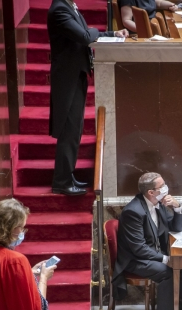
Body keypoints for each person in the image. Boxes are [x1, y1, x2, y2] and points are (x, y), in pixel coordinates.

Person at [48, 0, 128, 196]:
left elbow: (84, 34)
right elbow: (84, 36)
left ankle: (68, 174)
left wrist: (111, 33)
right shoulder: (59, 9)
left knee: (75, 129)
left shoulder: (69, 6)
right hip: (67, 79)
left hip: (77, 74)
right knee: (69, 129)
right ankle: (62, 181)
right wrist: (92, 30)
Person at [113, 172, 182, 310]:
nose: (166, 188)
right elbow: (138, 249)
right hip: (135, 260)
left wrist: (177, 207)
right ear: (151, 192)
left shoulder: (157, 204)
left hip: (152, 255)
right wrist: (165, 259)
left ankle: (175, 300)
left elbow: (175, 227)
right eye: (162, 186)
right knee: (168, 272)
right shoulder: (134, 211)